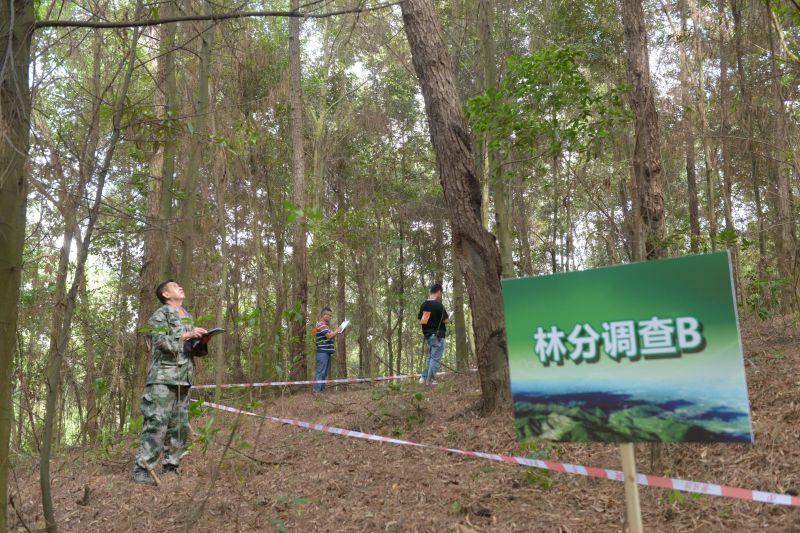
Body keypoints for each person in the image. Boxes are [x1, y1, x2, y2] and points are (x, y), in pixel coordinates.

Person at [133, 279, 208, 484]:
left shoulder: (187, 316)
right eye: (175, 286)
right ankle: (143, 470)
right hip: (162, 379)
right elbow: (160, 342)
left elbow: (189, 349)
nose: (180, 287)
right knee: (156, 423)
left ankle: (171, 467)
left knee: (179, 426)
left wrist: (201, 342)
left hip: (183, 380)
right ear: (166, 294)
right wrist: (186, 336)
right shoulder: (161, 314)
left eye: (180, 285)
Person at [418, 283, 449, 385]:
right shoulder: (439, 306)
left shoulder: (424, 305)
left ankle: (423, 378)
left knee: (430, 358)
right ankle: (430, 380)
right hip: (438, 336)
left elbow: (422, 321)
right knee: (435, 359)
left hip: (428, 336)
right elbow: (446, 320)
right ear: (438, 292)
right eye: (441, 293)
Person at [313, 307, 343, 393]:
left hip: (326, 352)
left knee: (324, 373)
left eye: (331, 316)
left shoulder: (326, 326)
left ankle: (321, 391)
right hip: (322, 352)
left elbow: (330, 336)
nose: (330, 317)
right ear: (323, 315)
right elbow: (329, 336)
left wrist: (338, 331)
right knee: (321, 372)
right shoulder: (321, 324)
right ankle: (317, 391)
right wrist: (337, 330)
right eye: (329, 315)